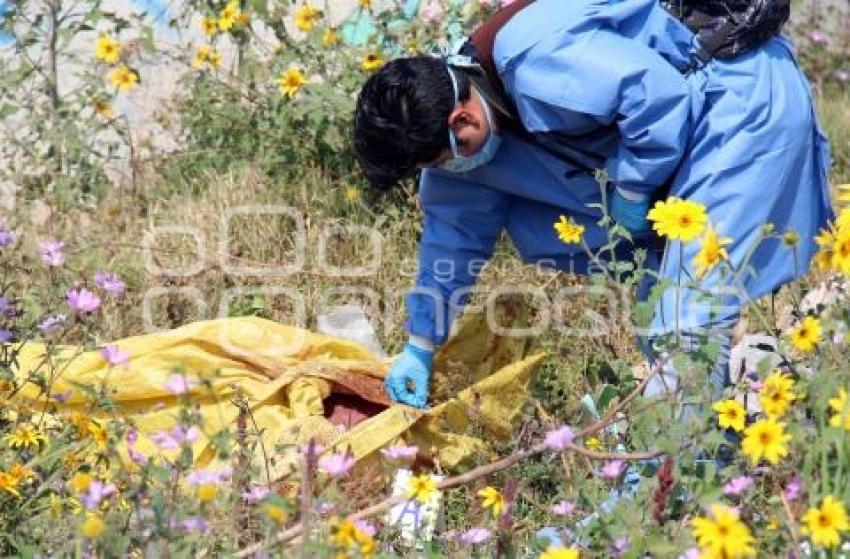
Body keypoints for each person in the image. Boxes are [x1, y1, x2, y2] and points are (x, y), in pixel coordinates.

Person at [353, 0, 833, 409]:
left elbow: (659, 99)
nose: (447, 169)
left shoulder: (534, 60)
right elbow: (450, 239)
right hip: (688, 144)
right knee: (659, 321)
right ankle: (690, 458)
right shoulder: (469, 140)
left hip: (736, 109)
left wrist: (630, 191)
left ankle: (666, 495)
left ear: (461, 118)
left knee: (686, 323)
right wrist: (420, 345)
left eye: (443, 157)